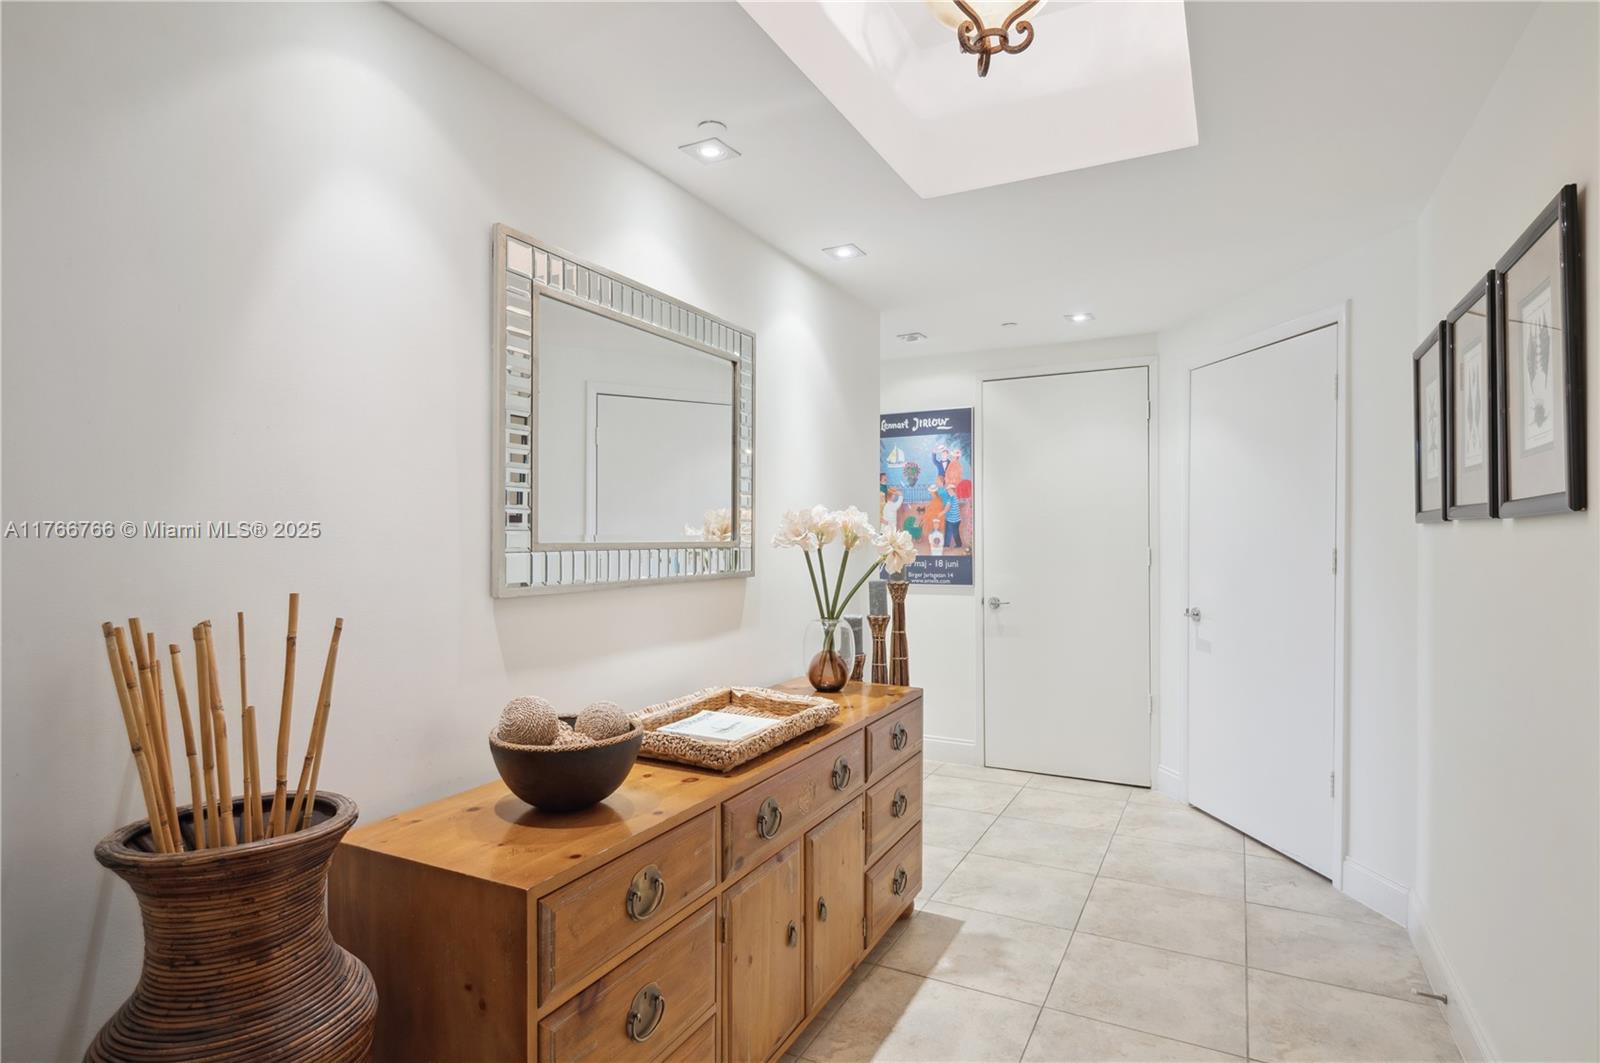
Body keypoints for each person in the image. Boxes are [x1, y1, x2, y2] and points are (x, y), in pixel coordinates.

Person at [940, 479, 963, 550]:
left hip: (951, 519)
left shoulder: (951, 498)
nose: (948, 492)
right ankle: (959, 544)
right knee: (955, 532)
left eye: (950, 490)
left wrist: (942, 513)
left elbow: (947, 508)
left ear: (953, 490)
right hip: (957, 519)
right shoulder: (955, 497)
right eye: (948, 491)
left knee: (949, 532)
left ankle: (946, 546)